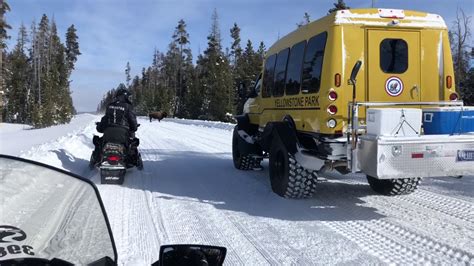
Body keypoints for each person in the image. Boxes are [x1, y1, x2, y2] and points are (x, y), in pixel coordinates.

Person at [91, 88, 139, 166]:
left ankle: (95, 160)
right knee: (132, 144)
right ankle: (134, 162)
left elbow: (104, 122)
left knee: (98, 143)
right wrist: (133, 128)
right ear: (125, 97)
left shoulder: (109, 106)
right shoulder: (128, 107)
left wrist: (99, 127)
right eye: (128, 97)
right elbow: (133, 124)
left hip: (108, 135)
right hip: (123, 135)